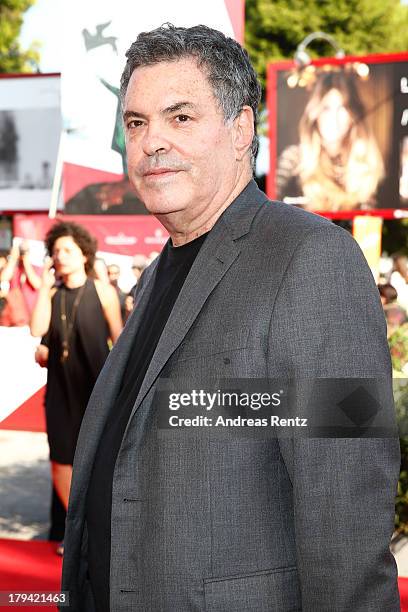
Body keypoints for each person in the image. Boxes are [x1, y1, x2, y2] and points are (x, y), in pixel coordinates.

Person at [62, 24, 400, 611]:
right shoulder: (162, 272)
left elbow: (345, 520)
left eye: (181, 117)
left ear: (242, 128)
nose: (151, 142)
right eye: (137, 123)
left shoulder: (311, 260)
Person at [30, 221, 122, 552]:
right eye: (56, 251)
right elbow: (36, 328)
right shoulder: (52, 294)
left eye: (67, 250)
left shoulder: (102, 291)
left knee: (97, 459)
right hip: (60, 390)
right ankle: (77, 527)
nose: (61, 256)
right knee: (60, 460)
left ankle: (95, 529)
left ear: (84, 254)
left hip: (96, 388)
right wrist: (42, 288)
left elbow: (120, 339)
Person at [277, 70, 384, 211]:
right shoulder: (293, 159)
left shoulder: (367, 165)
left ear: (353, 115)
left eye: (342, 108)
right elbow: (274, 210)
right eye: (326, 108)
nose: (334, 118)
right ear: (315, 113)